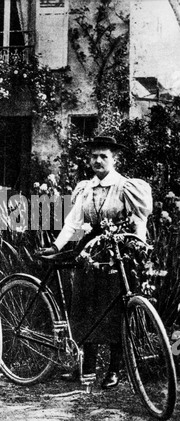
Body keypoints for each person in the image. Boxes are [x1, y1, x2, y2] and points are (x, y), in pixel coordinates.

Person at [39, 135, 153, 389]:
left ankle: (115, 369)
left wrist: (139, 245)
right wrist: (57, 246)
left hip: (117, 254)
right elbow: (73, 222)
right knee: (84, 306)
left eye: (104, 156)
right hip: (89, 253)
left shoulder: (125, 187)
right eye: (94, 156)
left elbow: (139, 220)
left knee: (115, 310)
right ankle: (85, 368)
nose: (98, 161)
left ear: (114, 159)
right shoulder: (86, 188)